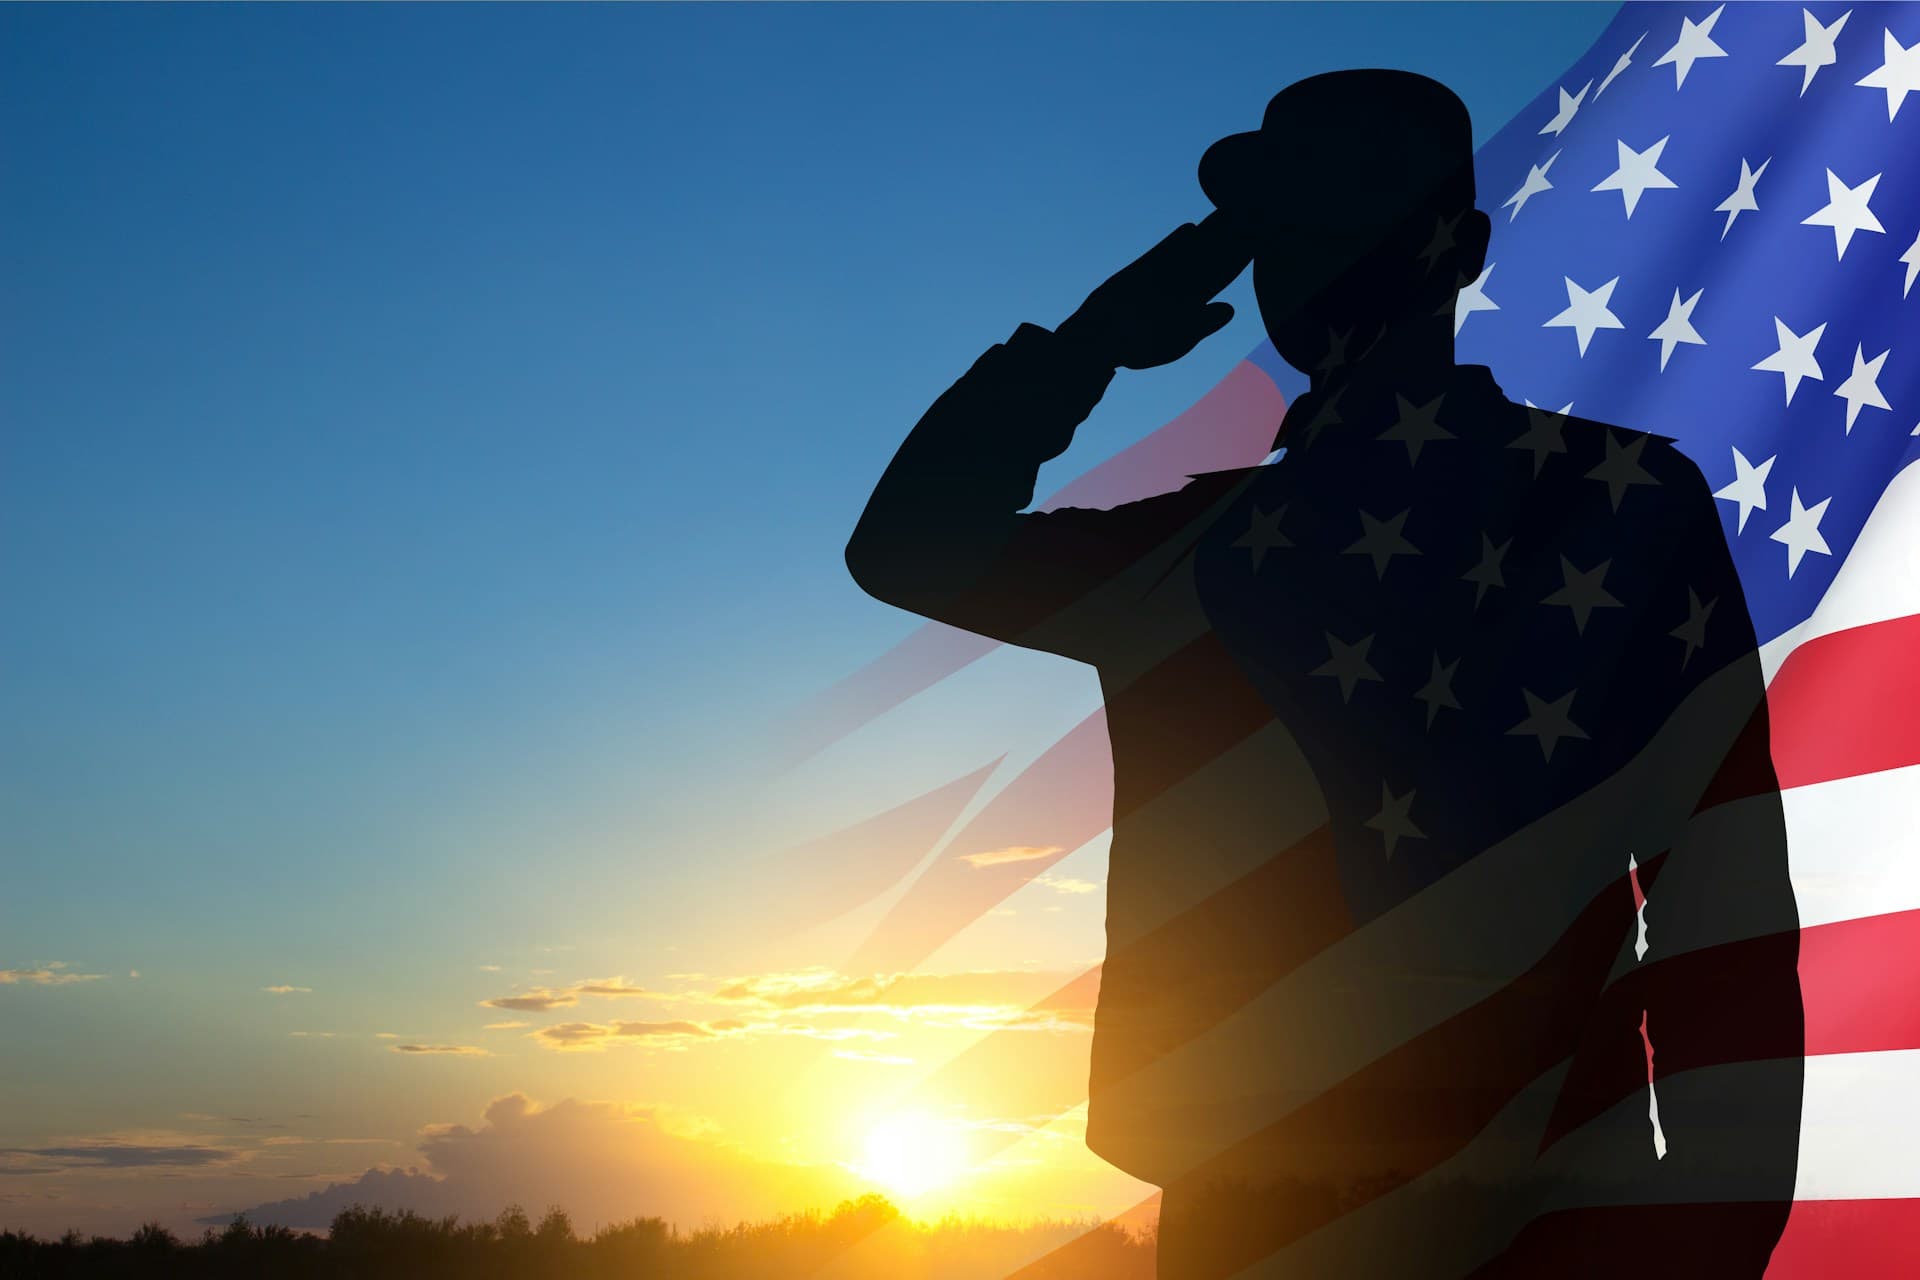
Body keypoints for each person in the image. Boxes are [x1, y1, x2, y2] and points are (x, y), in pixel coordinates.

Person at [846, 71, 1802, 1279]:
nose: (1306, 255)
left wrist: (1095, 342)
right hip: (1273, 1212)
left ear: (1461, 247)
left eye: (1339, 210)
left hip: (1522, 1210)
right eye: (1284, 224)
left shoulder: (1612, 510)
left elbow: (1722, 897)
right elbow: (905, 551)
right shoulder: (1214, 543)